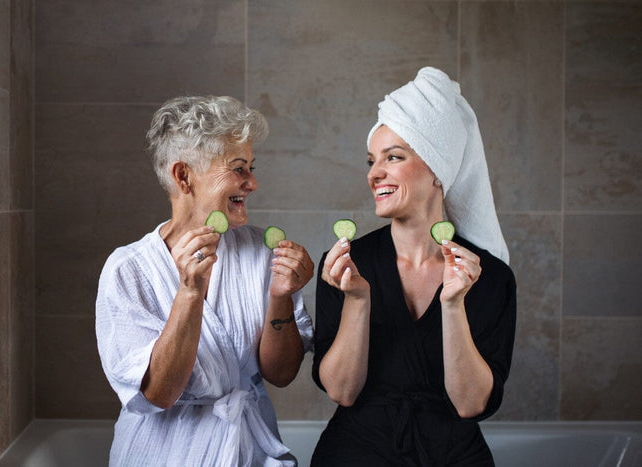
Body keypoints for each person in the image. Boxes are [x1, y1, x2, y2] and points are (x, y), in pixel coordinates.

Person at [311, 67, 517, 466]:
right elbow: (341, 391)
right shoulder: (347, 263)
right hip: (356, 453)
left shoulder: (489, 277)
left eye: (394, 157)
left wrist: (453, 305)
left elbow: (471, 403)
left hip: (452, 456)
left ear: (437, 171)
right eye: (372, 160)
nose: (375, 173)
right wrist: (356, 300)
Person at [95, 95, 314, 466]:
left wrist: (281, 295)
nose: (253, 183)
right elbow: (157, 395)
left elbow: (281, 374)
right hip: (160, 454)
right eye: (239, 169)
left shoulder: (261, 251)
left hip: (247, 450)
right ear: (183, 176)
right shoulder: (128, 270)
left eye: (251, 168)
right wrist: (189, 293)